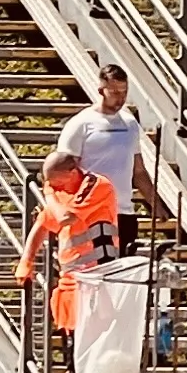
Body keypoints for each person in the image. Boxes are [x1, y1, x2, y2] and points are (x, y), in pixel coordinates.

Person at [16, 148, 123, 373]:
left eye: (57, 181)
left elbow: (64, 218)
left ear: (71, 173)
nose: (54, 186)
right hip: (70, 281)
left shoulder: (97, 187)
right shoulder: (62, 192)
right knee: (69, 347)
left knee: (87, 347)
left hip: (96, 278)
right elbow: (43, 225)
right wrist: (27, 260)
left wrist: (48, 193)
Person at [52, 67, 144, 252]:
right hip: (91, 212)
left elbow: (138, 170)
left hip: (123, 212)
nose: (120, 98)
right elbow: (61, 171)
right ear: (101, 90)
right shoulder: (81, 123)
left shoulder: (130, 123)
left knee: (124, 271)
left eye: (124, 92)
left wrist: (154, 202)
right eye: (115, 92)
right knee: (97, 267)